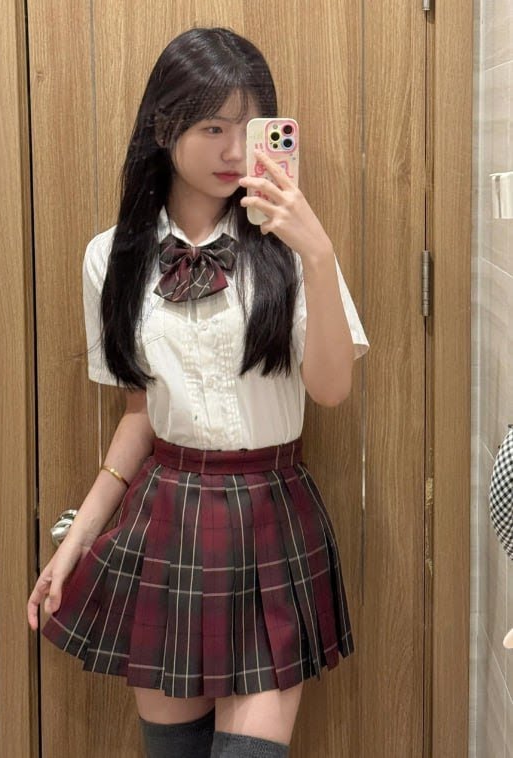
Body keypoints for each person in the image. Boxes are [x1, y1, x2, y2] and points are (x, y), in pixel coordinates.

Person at [27, 26, 369, 758]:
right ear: (164, 128)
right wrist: (77, 538)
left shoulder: (289, 247)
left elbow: (332, 389)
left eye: (250, 128)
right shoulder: (110, 256)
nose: (233, 150)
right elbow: (139, 412)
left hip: (270, 515)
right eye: (213, 127)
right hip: (167, 519)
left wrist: (316, 252)